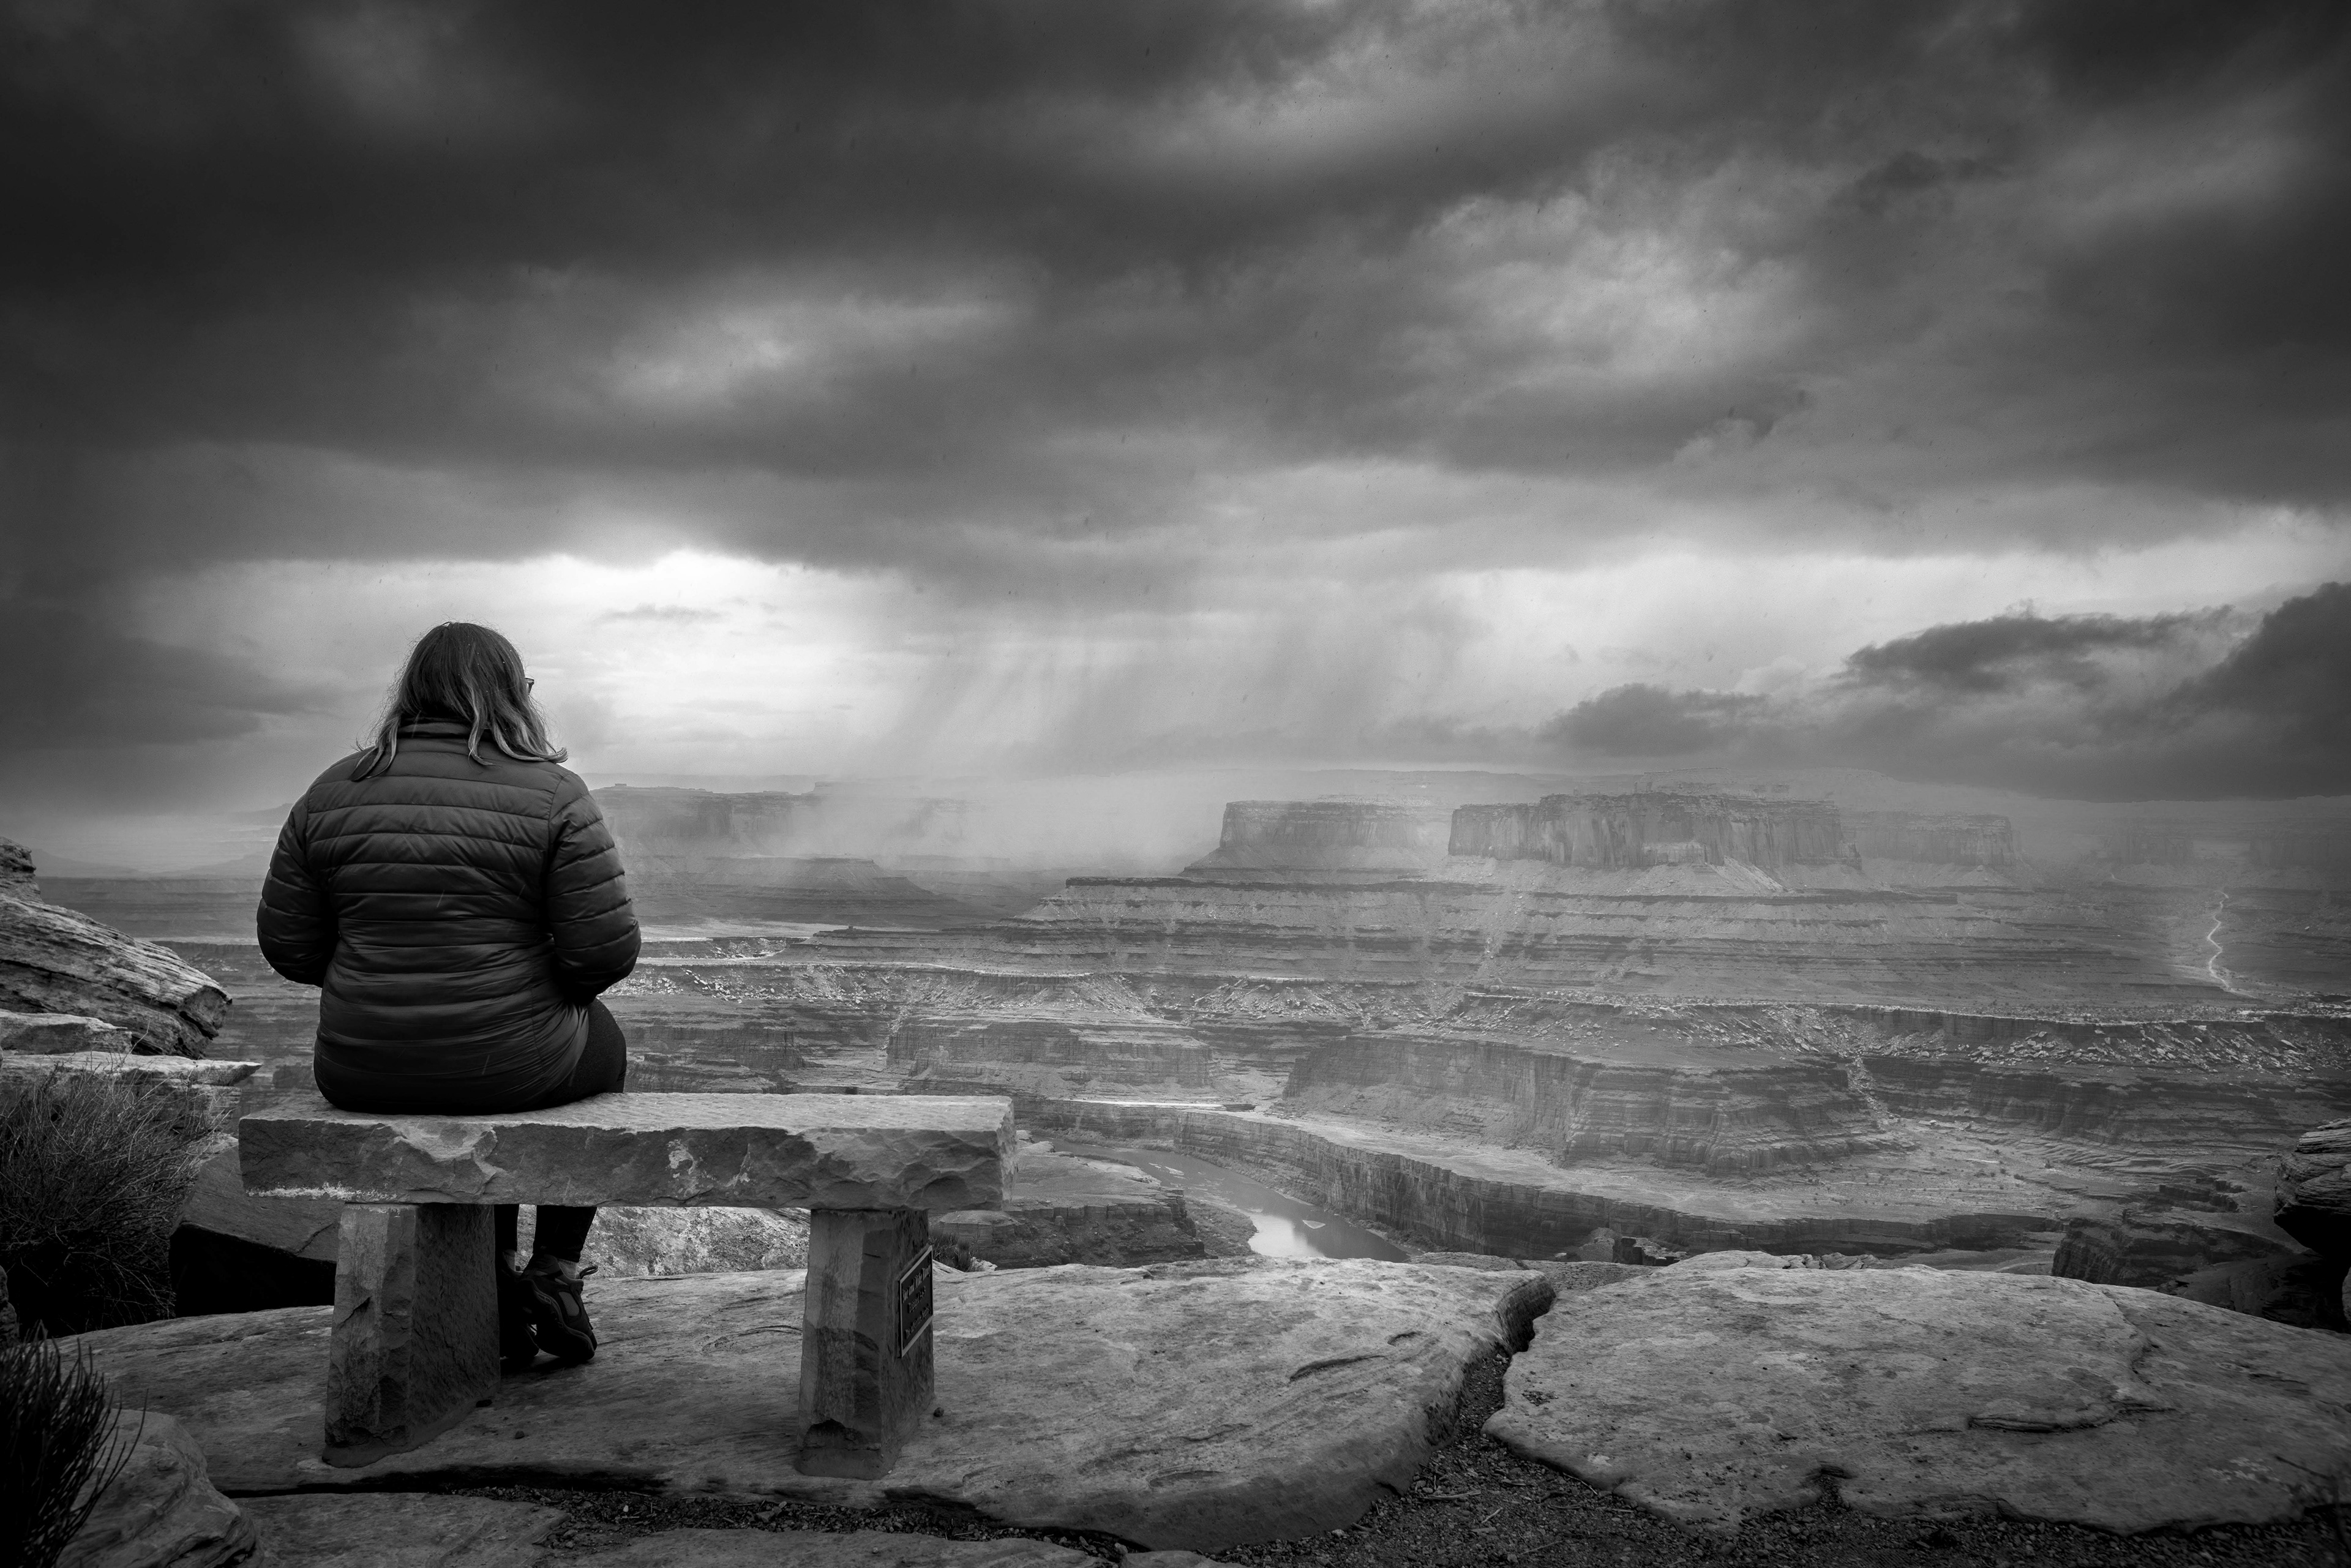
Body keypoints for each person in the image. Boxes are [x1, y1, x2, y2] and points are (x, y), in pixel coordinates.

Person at [257, 621, 639, 1371]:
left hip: (361, 1067)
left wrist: (381, 977)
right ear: (513, 694)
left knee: (500, 1066)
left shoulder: (330, 790)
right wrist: (531, 993)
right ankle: (555, 1269)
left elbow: (289, 946)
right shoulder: (553, 791)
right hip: (510, 1063)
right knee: (605, 1043)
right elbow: (604, 951)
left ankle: (490, 1284)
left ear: (411, 691)